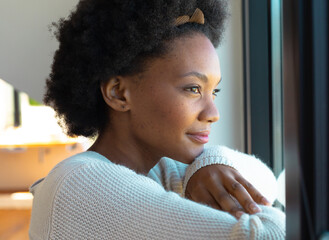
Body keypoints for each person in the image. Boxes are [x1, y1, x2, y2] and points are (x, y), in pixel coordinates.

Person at [29, 0, 285, 239]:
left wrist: (209, 163)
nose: (213, 113)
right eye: (193, 88)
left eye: (213, 91)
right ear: (118, 93)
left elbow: (266, 178)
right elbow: (267, 233)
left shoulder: (162, 170)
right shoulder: (80, 185)